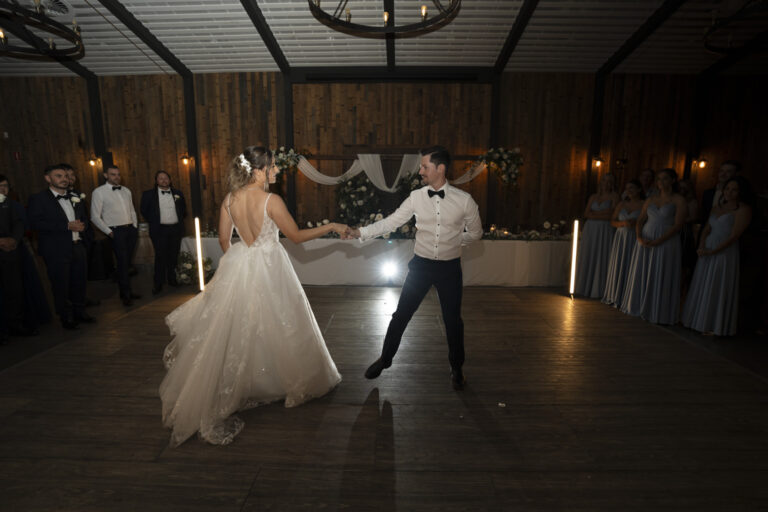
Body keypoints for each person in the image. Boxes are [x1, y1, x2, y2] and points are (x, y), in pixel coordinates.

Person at [159, 146, 345, 447]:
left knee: (242, 327)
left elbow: (224, 240)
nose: (277, 170)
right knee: (281, 322)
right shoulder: (271, 200)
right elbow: (296, 236)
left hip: (241, 264)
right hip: (271, 267)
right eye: (272, 166)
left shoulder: (230, 199)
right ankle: (279, 379)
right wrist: (333, 226)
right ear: (258, 170)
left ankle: (253, 378)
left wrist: (242, 264)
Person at [344, 146, 483, 391]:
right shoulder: (416, 197)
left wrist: (453, 241)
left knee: (453, 321)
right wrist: (360, 232)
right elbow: (392, 222)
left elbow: (475, 233)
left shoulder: (465, 201)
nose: (420, 171)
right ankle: (385, 359)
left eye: (425, 167)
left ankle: (457, 368)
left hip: (450, 269)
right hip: (421, 267)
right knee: (401, 315)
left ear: (440, 168)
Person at [682, 177, 752, 336]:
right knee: (702, 281)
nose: (729, 192)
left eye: (734, 190)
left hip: (725, 251)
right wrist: (702, 246)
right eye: (727, 189)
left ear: (741, 192)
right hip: (708, 247)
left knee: (717, 283)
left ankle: (713, 324)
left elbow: (734, 236)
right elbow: (707, 228)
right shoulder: (717, 207)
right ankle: (696, 319)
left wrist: (713, 251)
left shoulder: (744, 209)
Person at [27, 165, 94, 329]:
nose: (64, 179)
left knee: (79, 282)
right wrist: (66, 226)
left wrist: (83, 228)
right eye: (58, 176)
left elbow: (84, 218)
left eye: (65, 176)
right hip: (55, 249)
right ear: (48, 178)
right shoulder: (39, 199)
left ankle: (80, 312)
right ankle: (66, 316)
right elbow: (35, 223)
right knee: (61, 284)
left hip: (78, 246)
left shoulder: (75, 196)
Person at [621, 168, 687, 324]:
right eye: (659, 179)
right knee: (643, 270)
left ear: (672, 180)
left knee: (662, 271)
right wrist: (639, 237)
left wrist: (660, 240)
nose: (661, 182)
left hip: (667, 240)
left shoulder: (678, 200)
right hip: (646, 238)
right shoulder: (650, 199)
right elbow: (640, 220)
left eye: (665, 178)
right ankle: (639, 304)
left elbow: (678, 225)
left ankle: (658, 310)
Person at [90, 166, 141, 306]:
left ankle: (127, 291)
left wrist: (134, 226)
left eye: (118, 174)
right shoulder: (99, 192)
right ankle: (125, 294)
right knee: (122, 263)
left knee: (127, 262)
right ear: (105, 175)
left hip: (130, 230)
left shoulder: (126, 190)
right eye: (113, 174)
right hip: (116, 231)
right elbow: (94, 216)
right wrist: (109, 232)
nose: (116, 177)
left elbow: (132, 210)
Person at [0, 174, 36, 338]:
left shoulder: (11, 204)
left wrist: (14, 239)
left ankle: (15, 324)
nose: (3, 189)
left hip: (11, 251)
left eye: (5, 186)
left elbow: (19, 223)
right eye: (0, 186)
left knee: (14, 290)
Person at [140, 171, 187, 295]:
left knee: (173, 255)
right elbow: (144, 211)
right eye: (160, 178)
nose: (164, 180)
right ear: (156, 181)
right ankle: (158, 283)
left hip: (175, 229)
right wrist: (155, 221)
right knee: (160, 256)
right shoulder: (148, 194)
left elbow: (183, 210)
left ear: (170, 180)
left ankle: (172, 279)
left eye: (166, 178)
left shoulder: (178, 193)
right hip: (159, 230)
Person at [574, 173, 620, 298]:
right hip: (591, 228)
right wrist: (603, 213)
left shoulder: (614, 196)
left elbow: (612, 214)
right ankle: (585, 286)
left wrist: (595, 214)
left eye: (609, 181)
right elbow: (586, 213)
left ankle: (599, 288)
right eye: (605, 180)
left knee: (602, 254)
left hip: (605, 229)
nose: (607, 183)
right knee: (589, 253)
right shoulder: (593, 196)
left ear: (613, 183)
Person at [602, 180, 644, 307]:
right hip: (621, 237)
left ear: (639, 189)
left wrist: (636, 223)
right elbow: (612, 221)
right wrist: (623, 223)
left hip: (635, 237)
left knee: (632, 264)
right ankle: (615, 294)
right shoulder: (621, 204)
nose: (629, 191)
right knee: (619, 263)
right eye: (627, 188)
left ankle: (629, 297)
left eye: (632, 188)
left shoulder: (644, 204)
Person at [700, 160, 741, 227]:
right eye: (721, 171)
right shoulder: (708, 193)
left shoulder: (737, 195)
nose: (723, 174)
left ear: (736, 174)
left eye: (728, 172)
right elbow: (704, 215)